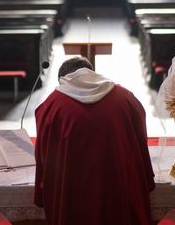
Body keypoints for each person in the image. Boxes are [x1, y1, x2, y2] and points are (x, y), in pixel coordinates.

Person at [34, 57, 155, 225]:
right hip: (119, 190)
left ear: (63, 80)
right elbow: (140, 141)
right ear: (92, 73)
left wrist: (41, 193)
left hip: (73, 197)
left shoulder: (52, 106)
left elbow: (44, 155)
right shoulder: (125, 97)